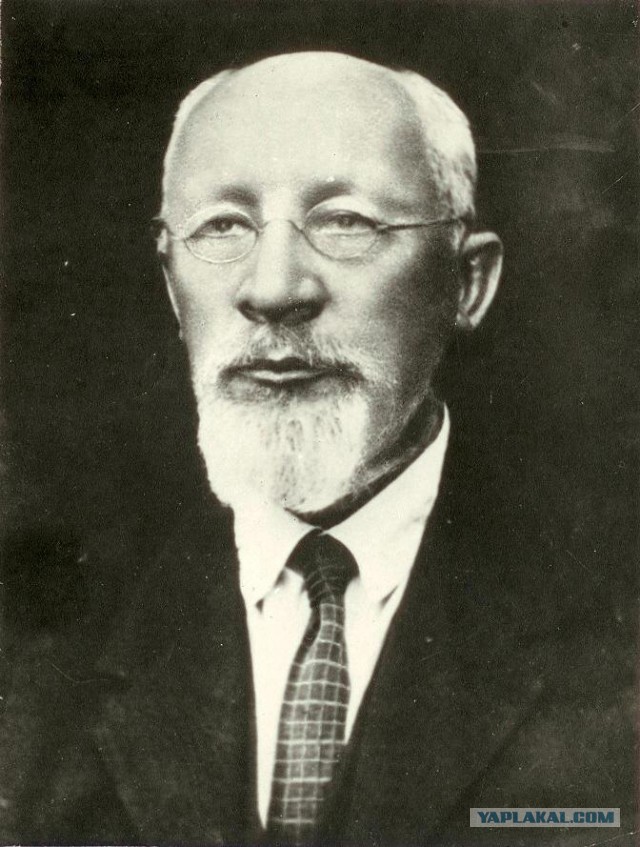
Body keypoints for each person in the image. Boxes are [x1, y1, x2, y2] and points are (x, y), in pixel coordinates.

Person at [0, 51, 634, 847]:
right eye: (223, 226)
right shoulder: (38, 648)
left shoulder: (613, 626)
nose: (273, 289)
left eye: (346, 222)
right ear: (170, 285)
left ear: (467, 282)